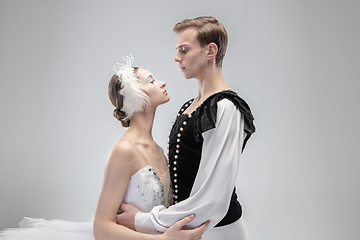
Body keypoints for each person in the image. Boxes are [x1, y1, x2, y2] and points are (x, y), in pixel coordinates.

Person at [0, 54, 208, 240]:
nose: (162, 83)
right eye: (151, 81)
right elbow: (101, 228)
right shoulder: (125, 150)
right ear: (136, 95)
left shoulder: (159, 151)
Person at [116, 17, 256, 240]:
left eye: (184, 49)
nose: (176, 57)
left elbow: (213, 200)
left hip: (216, 232)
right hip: (186, 229)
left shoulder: (225, 108)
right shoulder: (191, 106)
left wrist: (142, 220)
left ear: (210, 50)